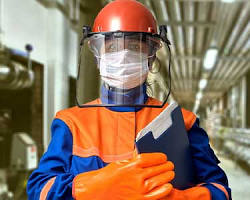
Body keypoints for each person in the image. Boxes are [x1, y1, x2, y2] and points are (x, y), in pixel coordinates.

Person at [27, 0, 231, 199]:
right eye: (113, 48)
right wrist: (92, 187)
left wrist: (184, 198)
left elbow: (220, 190)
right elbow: (40, 189)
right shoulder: (71, 123)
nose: (124, 55)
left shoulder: (183, 123)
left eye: (134, 46)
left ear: (151, 58)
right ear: (98, 57)